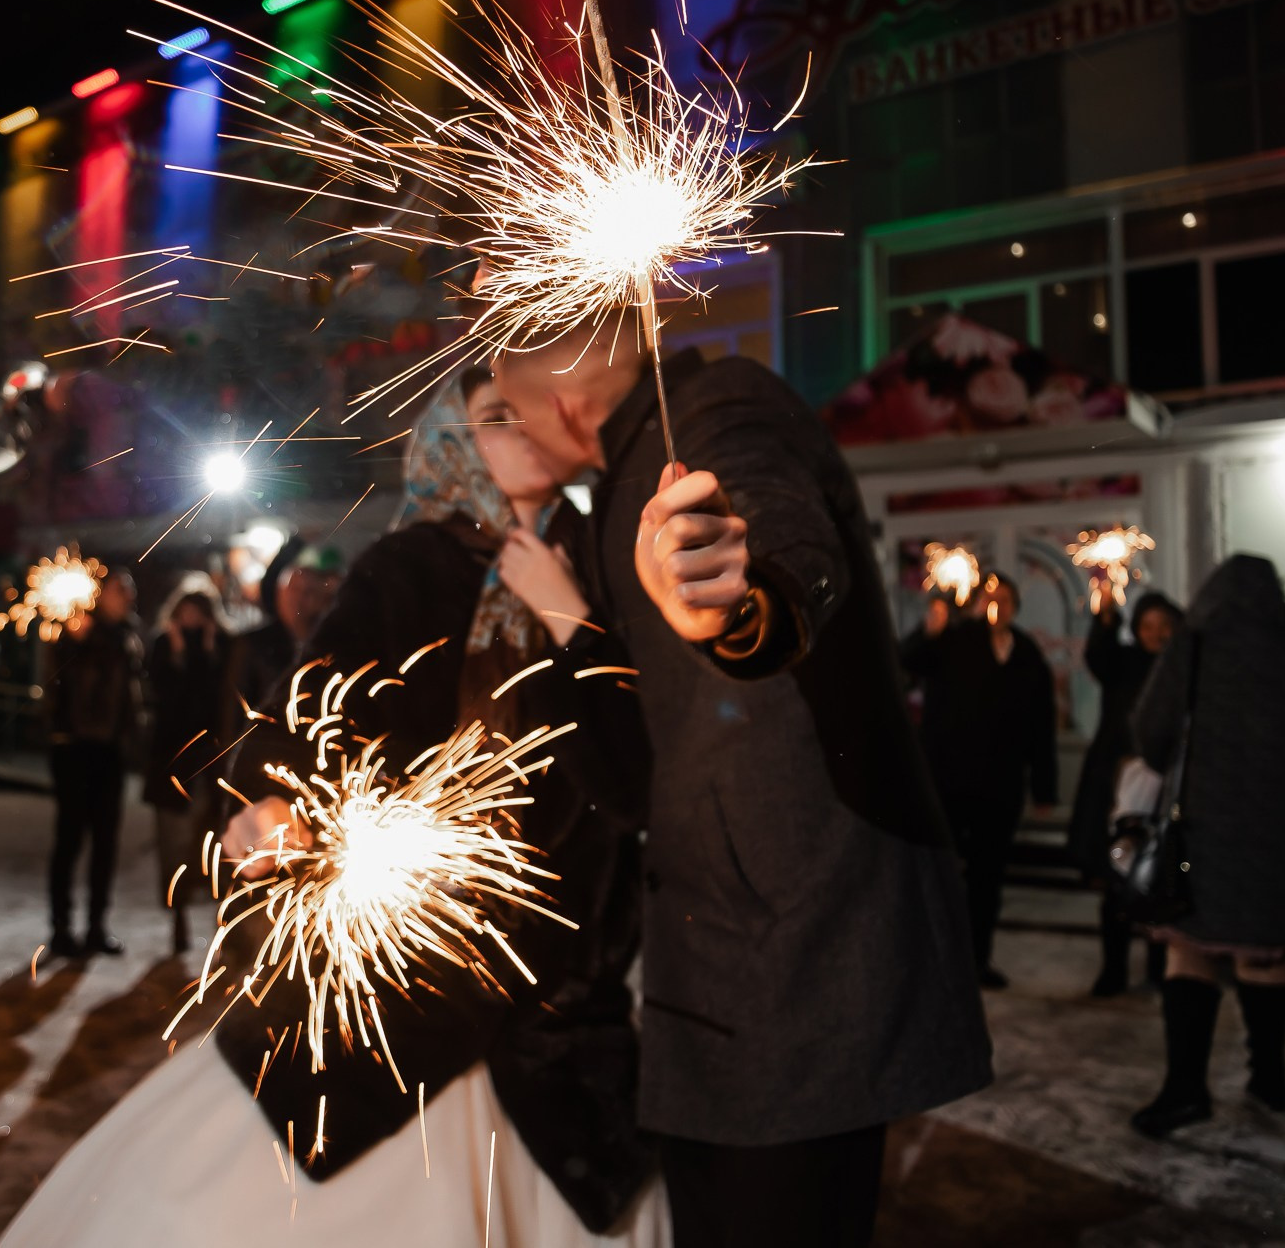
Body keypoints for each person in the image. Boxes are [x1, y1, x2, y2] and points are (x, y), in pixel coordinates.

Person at [0, 369, 664, 1247]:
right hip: (404, 994)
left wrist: (571, 619)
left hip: (559, 1006)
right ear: (451, 445)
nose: (523, 426)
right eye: (491, 416)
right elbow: (312, 702)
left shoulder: (611, 561)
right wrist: (271, 793)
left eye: (527, 406)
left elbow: (634, 774)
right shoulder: (411, 565)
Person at [494, 334, 992, 1248]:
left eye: (510, 412)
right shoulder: (604, 495)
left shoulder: (714, 408)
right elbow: (630, 775)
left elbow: (774, 532)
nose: (510, 435)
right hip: (710, 957)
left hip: (806, 947)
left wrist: (739, 606)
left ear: (560, 409)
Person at [1126, 555, 1285, 1139]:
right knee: (1265, 954)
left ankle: (1185, 1090)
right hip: (1283, 840)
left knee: (1190, 949)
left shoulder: (1192, 652)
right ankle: (1269, 1077)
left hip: (1199, 837)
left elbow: (1150, 734)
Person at [900, 573, 1059, 990]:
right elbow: (906, 662)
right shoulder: (953, 640)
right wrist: (929, 632)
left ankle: (977, 961)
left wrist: (1045, 788)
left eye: (1006, 599)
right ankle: (936, 962)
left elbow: (1041, 727)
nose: (998, 606)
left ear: (1016, 606)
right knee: (943, 876)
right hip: (949, 781)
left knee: (987, 881)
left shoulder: (1026, 653)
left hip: (999, 787)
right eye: (991, 598)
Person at [1070, 583, 1182, 996]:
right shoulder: (1124, 662)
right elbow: (1098, 656)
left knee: (1163, 881)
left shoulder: (1180, 669)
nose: (1157, 633)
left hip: (1167, 789)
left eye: (1164, 625)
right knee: (1118, 879)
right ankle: (1113, 970)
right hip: (1120, 789)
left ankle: (1159, 969)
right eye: (1148, 626)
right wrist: (1105, 616)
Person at [45, 567, 146, 959]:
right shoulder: (75, 629)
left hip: (111, 751)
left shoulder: (128, 637)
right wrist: (74, 642)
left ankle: (96, 927)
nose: (127, 597)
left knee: (105, 845)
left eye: (129, 590)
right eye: (120, 590)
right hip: (74, 748)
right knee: (69, 842)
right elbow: (56, 684)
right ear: (101, 595)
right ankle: (60, 929)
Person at [143, 583, 230, 954]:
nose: (191, 618)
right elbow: (161, 698)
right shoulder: (164, 644)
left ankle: (221, 919)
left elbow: (221, 700)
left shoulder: (222, 646)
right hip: (173, 762)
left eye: (199, 611)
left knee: (212, 841)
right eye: (186, 610)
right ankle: (177, 917)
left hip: (210, 762)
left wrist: (209, 654)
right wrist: (177, 655)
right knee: (173, 843)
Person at [225, 541, 343, 716]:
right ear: (280, 593)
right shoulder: (253, 644)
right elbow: (233, 708)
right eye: (294, 589)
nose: (300, 598)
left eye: (309, 592)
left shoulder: (329, 642)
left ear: (319, 599)